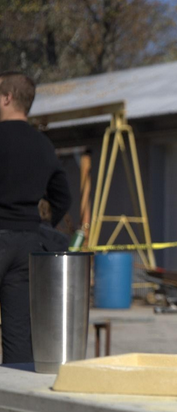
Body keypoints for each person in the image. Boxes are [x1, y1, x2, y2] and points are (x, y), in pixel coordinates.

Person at [0, 71, 71, 363]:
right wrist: (43, 226)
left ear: (7, 98)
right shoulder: (43, 145)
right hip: (28, 245)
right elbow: (63, 197)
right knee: (18, 332)